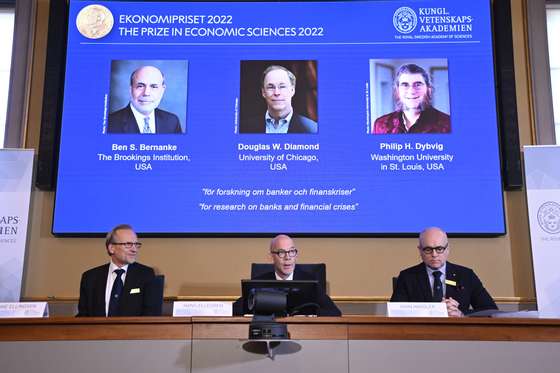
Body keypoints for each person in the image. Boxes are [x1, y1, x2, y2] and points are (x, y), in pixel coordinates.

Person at [390, 227, 497, 317]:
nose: (434, 254)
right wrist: (434, 312)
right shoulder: (407, 277)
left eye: (439, 249)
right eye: (428, 249)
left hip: (459, 335)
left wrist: (461, 314)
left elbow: (490, 311)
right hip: (421, 335)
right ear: (420, 251)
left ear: (447, 249)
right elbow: (395, 313)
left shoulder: (466, 276)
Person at [233, 234, 341, 316]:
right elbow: (236, 309)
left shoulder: (309, 282)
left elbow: (335, 312)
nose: (287, 257)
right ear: (271, 257)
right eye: (281, 252)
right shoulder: (260, 283)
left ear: (296, 255)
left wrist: (309, 314)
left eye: (291, 252)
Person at [77, 224, 162, 316]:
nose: (134, 250)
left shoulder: (146, 275)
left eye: (136, 244)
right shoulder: (90, 277)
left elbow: (151, 316)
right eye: (128, 244)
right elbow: (83, 317)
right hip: (97, 330)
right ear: (111, 248)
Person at [373, 63, 451, 134]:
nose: (412, 91)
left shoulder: (448, 124)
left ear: (429, 90)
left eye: (418, 84)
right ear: (397, 91)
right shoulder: (380, 124)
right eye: (405, 85)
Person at [241, 65, 318, 134]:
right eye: (270, 87)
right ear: (263, 92)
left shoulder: (313, 130)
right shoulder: (245, 128)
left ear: (292, 90)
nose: (277, 93)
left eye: (282, 86)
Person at [107, 65, 182, 134]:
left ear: (162, 90)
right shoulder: (109, 123)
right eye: (140, 86)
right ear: (130, 89)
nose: (146, 93)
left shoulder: (172, 121)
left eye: (154, 87)